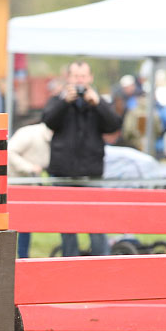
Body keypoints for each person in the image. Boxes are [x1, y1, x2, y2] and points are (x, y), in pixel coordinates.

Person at [41, 60, 122, 257]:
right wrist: (63, 102)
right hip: (63, 173)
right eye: (76, 76)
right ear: (68, 78)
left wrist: (98, 104)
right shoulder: (59, 100)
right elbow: (48, 121)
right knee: (67, 227)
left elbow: (114, 125)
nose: (80, 80)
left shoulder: (98, 101)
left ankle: (101, 264)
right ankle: (69, 264)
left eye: (83, 76)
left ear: (90, 78)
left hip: (91, 173)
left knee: (96, 224)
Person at [7, 122, 53, 258]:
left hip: (28, 184)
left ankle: (23, 256)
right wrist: (29, 167)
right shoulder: (28, 133)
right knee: (11, 223)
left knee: (24, 223)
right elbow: (10, 151)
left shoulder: (52, 138)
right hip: (13, 182)